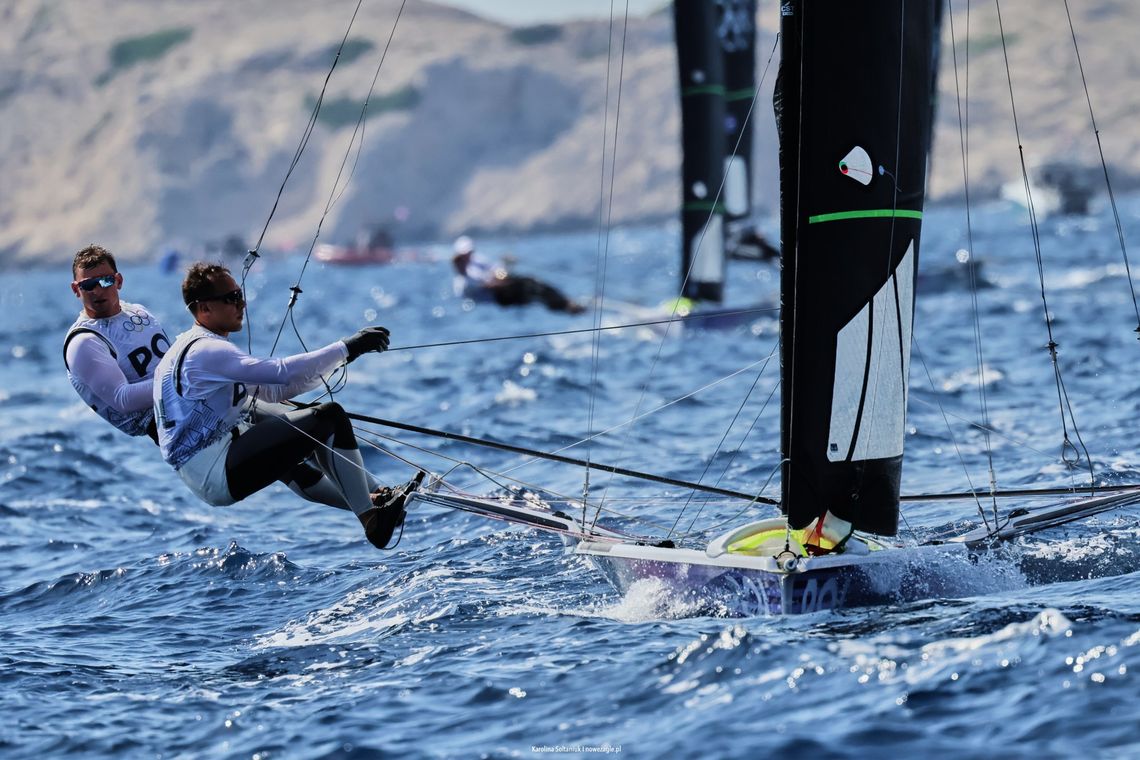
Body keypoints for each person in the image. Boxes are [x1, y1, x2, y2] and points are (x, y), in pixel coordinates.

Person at [153, 262, 422, 550]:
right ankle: (372, 518)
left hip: (206, 476)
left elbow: (275, 390)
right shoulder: (207, 351)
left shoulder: (192, 346)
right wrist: (347, 347)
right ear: (204, 309)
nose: (242, 303)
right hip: (217, 470)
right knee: (329, 417)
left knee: (295, 441)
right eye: (231, 298)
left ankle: (375, 499)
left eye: (240, 294)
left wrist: (341, 360)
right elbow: (282, 373)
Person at [64, 244, 171, 443]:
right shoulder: (83, 342)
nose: (97, 291)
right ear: (76, 289)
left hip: (196, 400)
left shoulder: (139, 311)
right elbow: (124, 399)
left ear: (118, 281)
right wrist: (185, 377)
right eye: (88, 285)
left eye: (105, 281)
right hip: (169, 428)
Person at [451, 235, 586, 314]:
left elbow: (495, 268)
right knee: (531, 291)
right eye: (463, 255)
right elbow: (488, 285)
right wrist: (501, 277)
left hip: (505, 289)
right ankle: (565, 306)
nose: (467, 257)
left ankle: (566, 303)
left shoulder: (476, 259)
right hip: (500, 298)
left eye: (469, 252)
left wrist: (504, 266)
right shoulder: (463, 283)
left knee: (533, 282)